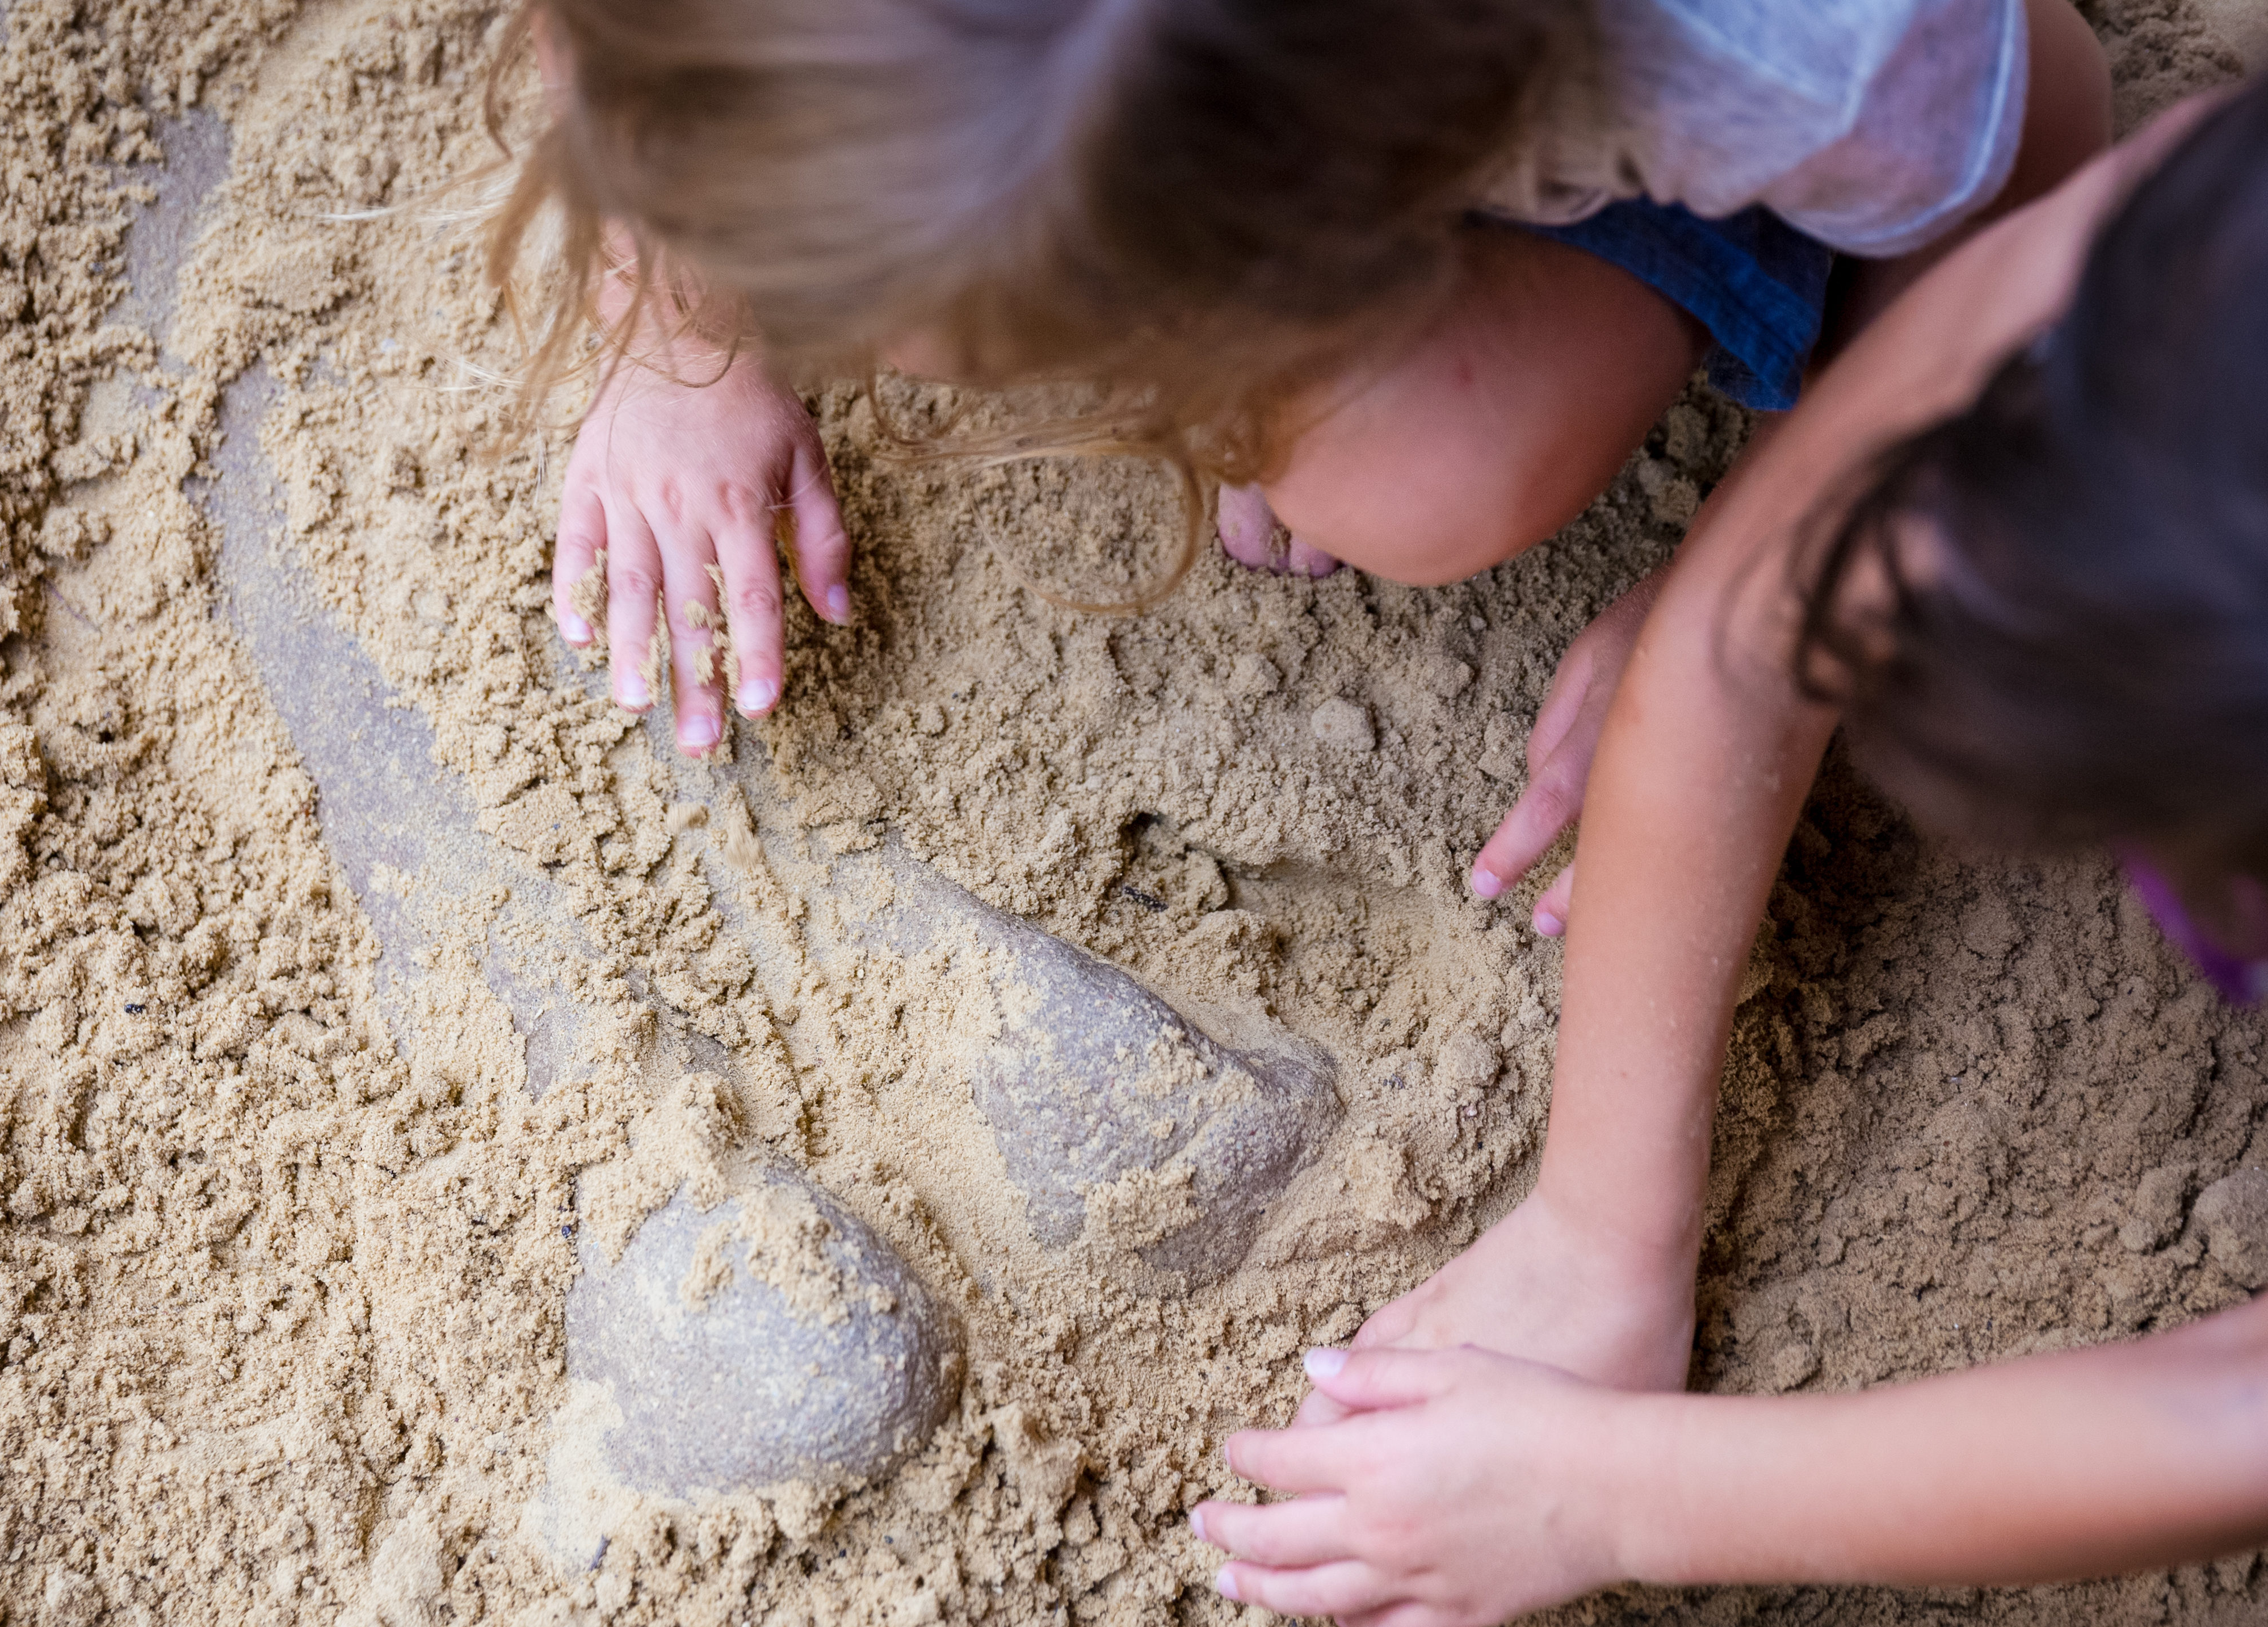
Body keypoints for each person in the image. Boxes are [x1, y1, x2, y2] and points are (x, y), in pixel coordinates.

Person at [1191, 82, 2268, 1627]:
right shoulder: (2193, 269)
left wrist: (1616, 1490)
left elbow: (2235, 1414)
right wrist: (1599, 1228)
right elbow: (1751, 638)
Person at [494, 0, 2111, 944]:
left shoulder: (1812, 54)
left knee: (1428, 473)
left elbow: (2036, 154)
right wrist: (665, 322)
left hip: (1622, 96)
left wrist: (1757, 562)